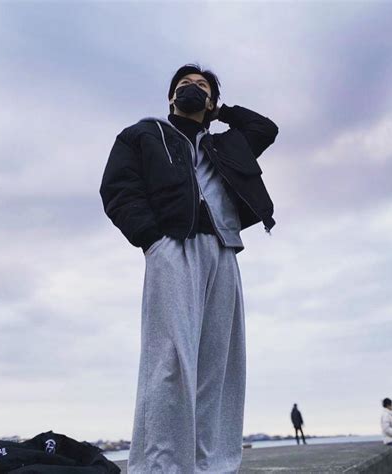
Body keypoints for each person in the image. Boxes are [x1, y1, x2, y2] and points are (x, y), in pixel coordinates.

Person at [99, 63, 279, 473]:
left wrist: (221, 112)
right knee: (171, 359)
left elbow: (266, 129)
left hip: (223, 248)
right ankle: (160, 466)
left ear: (212, 101)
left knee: (219, 365)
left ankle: (211, 465)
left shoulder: (226, 145)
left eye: (202, 87)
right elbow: (118, 189)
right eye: (184, 85)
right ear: (171, 97)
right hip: (173, 246)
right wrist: (152, 240)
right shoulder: (143, 134)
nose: (193, 89)